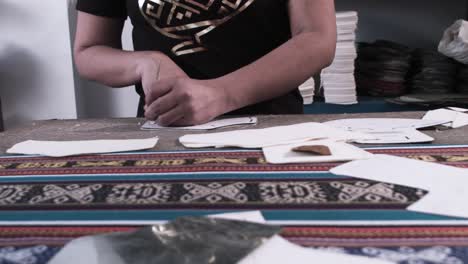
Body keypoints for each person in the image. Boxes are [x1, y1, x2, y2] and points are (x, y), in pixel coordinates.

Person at [74, 0, 337, 126]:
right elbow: (88, 51)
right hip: (165, 127)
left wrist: (222, 94)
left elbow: (317, 38)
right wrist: (146, 62)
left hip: (272, 128)